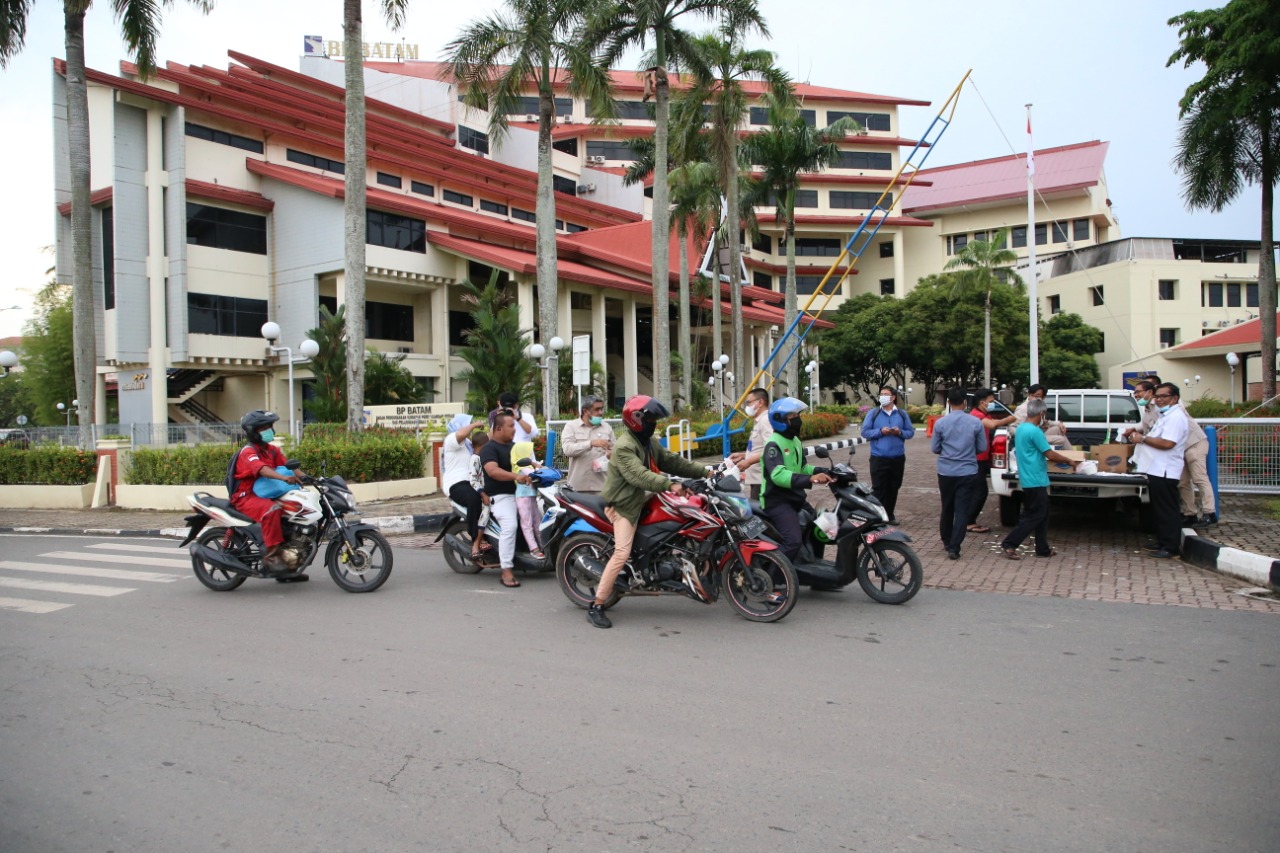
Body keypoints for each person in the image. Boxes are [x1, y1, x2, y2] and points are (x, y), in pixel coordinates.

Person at [587, 395, 709, 629]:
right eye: (650, 418)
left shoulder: (648, 442)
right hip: (624, 506)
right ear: (636, 419)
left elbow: (672, 462)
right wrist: (670, 484)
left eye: (654, 419)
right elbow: (638, 475)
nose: (653, 423)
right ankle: (598, 604)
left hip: (645, 499)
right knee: (622, 553)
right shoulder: (624, 446)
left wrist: (706, 472)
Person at [1000, 397, 1079, 559]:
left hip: (1030, 477)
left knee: (1042, 514)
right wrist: (1069, 460)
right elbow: (1049, 454)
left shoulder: (1022, 428)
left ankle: (1042, 548)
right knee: (1034, 514)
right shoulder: (1034, 431)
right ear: (1042, 413)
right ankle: (1010, 543)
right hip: (1035, 478)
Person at [760, 397, 833, 562]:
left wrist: (826, 471)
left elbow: (802, 468)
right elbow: (778, 475)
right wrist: (811, 479)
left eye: (797, 415)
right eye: (793, 417)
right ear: (780, 420)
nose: (798, 420)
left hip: (795, 497)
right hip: (778, 501)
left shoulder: (794, 441)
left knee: (821, 528)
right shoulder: (773, 444)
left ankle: (815, 567)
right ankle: (776, 578)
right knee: (793, 541)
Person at [229, 410, 302, 576]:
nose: (270, 430)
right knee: (272, 510)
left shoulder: (271, 450)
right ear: (253, 432)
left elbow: (291, 467)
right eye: (264, 428)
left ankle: (290, 560)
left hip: (264, 492)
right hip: (245, 496)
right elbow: (262, 470)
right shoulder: (248, 452)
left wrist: (310, 479)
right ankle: (271, 556)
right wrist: (283, 478)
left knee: (294, 509)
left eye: (270, 426)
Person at [1129, 382, 1190, 559]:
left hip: (1166, 470)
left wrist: (1143, 439)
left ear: (1175, 398)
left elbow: (1167, 443)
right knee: (1159, 509)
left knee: (1168, 510)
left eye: (1164, 396)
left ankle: (1170, 547)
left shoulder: (1176, 417)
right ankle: (1163, 541)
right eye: (1158, 396)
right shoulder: (1165, 416)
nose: (1160, 400)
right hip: (1156, 468)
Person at [479, 412, 535, 588]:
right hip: (501, 497)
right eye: (511, 426)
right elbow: (492, 471)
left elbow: (528, 463)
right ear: (499, 428)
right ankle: (506, 570)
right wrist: (515, 477)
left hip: (522, 494)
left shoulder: (515, 446)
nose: (514, 429)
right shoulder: (489, 449)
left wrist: (541, 468)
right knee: (510, 526)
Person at [931, 388, 987, 560]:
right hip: (968, 471)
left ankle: (946, 541)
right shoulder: (975, 422)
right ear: (965, 402)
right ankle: (955, 547)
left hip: (946, 471)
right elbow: (982, 448)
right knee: (962, 509)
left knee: (947, 506)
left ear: (948, 403)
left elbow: (935, 448)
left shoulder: (941, 423)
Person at [860, 386, 914, 523]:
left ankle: (889, 515)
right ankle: (877, 516)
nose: (882, 396)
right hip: (879, 457)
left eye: (886, 394)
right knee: (878, 488)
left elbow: (910, 432)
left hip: (897, 457)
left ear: (893, 397)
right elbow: (865, 432)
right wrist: (880, 431)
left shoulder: (902, 414)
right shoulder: (873, 413)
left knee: (893, 487)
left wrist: (899, 432)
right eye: (881, 394)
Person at [966, 388, 1017, 533]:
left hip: (981, 458)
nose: (992, 404)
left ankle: (968, 520)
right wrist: (1014, 417)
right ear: (982, 402)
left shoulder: (984, 413)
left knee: (978, 491)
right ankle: (969, 521)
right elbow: (993, 425)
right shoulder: (976, 415)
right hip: (976, 459)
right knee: (980, 492)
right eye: (990, 401)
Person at [440, 414, 490, 560]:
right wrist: (474, 425)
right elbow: (461, 433)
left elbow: (487, 440)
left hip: (471, 482)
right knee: (474, 498)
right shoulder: (451, 440)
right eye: (467, 424)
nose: (469, 428)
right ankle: (476, 540)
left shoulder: (468, 445)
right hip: (456, 483)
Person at [560, 395, 613, 493]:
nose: (600, 413)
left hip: (602, 486)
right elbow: (567, 450)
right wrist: (590, 444)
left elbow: (615, 450)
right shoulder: (571, 427)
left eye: (601, 409)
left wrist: (611, 453)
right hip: (577, 487)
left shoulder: (607, 427)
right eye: (596, 409)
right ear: (585, 411)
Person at [729, 388, 772, 500]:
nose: (747, 407)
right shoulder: (759, 421)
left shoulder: (766, 420)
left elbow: (771, 449)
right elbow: (760, 448)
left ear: (760, 402)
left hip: (762, 479)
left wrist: (748, 461)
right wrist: (743, 456)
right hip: (756, 478)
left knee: (759, 514)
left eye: (749, 402)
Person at [511, 439, 544, 559]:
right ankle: (533, 548)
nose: (531, 455)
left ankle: (543, 545)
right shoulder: (520, 466)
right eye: (529, 453)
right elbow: (534, 473)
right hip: (523, 497)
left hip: (531, 495)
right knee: (527, 522)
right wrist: (536, 465)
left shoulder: (527, 465)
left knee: (537, 521)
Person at [1013, 384, 1070, 449]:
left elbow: (1044, 422)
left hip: (1038, 433)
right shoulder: (1023, 408)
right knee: (1061, 439)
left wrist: (1059, 423)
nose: (1034, 398)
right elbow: (1013, 428)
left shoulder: (1039, 407)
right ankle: (1074, 457)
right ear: (1029, 395)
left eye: (1037, 396)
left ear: (1043, 398)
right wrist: (1028, 436)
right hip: (1031, 438)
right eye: (1032, 395)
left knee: (1058, 429)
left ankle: (1073, 455)